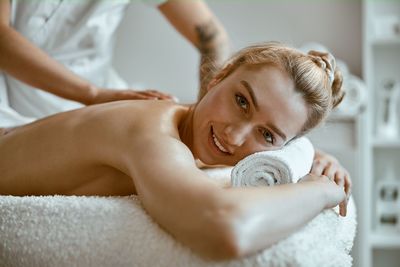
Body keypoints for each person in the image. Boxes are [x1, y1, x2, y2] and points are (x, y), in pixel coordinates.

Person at [0, 42, 351, 260]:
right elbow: (224, 228)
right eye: (241, 101)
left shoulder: (183, 119)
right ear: (218, 77)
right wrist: (320, 189)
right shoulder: (149, 133)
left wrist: (311, 156)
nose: (234, 133)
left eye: (267, 135)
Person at [0, 0, 230, 123]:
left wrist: (204, 112)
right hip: (11, 104)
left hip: (98, 103)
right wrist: (94, 95)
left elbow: (212, 39)